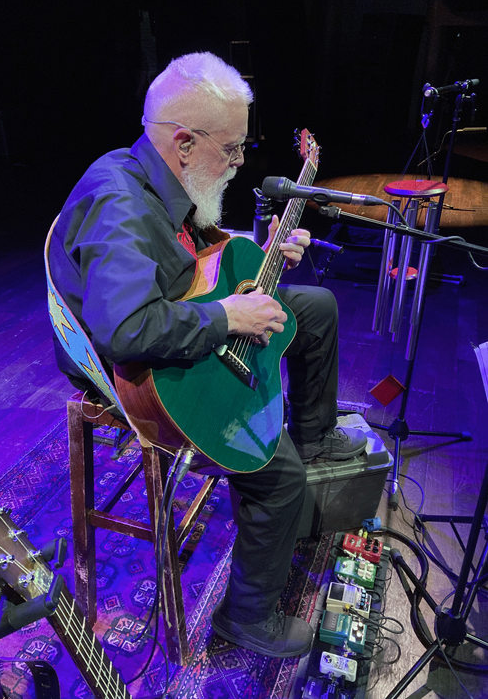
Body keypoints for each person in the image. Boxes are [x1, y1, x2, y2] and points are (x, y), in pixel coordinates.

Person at [49, 51, 367, 658]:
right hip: (138, 369)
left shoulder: (164, 177)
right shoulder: (119, 202)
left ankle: (317, 431)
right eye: (232, 150)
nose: (240, 164)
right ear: (186, 143)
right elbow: (127, 329)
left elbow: (191, 254)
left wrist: (259, 251)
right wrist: (226, 316)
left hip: (184, 311)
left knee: (317, 306)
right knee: (282, 479)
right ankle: (244, 618)